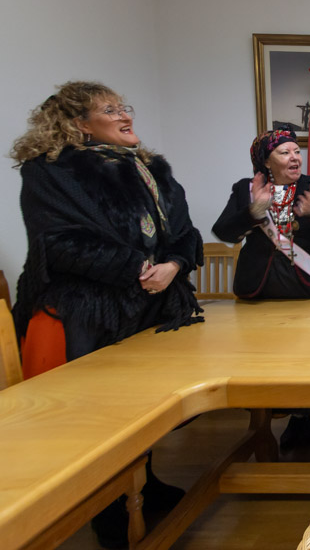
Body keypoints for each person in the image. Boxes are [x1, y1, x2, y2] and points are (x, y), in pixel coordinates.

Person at [10, 81, 203, 548]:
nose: (125, 116)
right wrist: (137, 267)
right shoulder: (50, 172)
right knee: (103, 416)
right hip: (92, 312)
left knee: (148, 407)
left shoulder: (151, 169)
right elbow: (57, 242)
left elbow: (183, 231)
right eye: (110, 110)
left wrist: (174, 264)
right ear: (78, 124)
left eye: (124, 107)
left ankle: (145, 481)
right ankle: (107, 506)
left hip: (155, 307)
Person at [213, 124, 310, 450]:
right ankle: (267, 416)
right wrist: (253, 212)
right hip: (261, 292)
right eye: (284, 152)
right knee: (266, 362)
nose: (294, 158)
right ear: (266, 161)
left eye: (296, 151)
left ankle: (305, 418)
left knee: (308, 361)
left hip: (307, 289)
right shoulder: (247, 188)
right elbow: (223, 231)